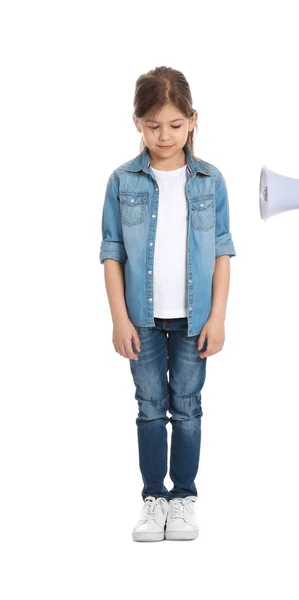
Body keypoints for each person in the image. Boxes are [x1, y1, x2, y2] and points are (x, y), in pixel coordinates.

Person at [99, 66, 236, 542]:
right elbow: (112, 251)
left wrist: (218, 316)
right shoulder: (122, 181)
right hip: (143, 319)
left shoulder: (210, 181)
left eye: (175, 125)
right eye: (153, 125)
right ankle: (153, 498)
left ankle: (184, 499)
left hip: (196, 320)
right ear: (137, 122)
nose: (164, 135)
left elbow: (222, 251)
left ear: (193, 120)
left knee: (189, 407)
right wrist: (119, 317)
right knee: (150, 406)